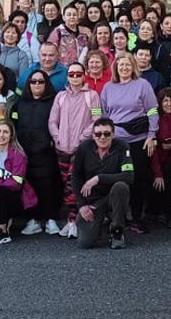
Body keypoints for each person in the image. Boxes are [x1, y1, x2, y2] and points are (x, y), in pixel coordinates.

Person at [99, 53, 159, 233]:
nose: (124, 68)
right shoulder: (108, 87)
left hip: (138, 140)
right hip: (115, 141)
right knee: (116, 180)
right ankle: (117, 216)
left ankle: (137, 217)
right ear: (115, 67)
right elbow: (103, 113)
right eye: (120, 65)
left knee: (138, 179)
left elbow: (152, 111)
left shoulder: (143, 85)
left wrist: (152, 135)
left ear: (133, 67)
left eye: (127, 65)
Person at [49, 62, 102, 238]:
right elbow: (52, 121)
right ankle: (72, 220)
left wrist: (83, 137)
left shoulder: (92, 95)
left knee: (74, 183)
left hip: (81, 148)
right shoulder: (60, 96)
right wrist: (57, 138)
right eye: (71, 74)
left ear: (84, 75)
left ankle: (74, 221)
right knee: (66, 185)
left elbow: (96, 119)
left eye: (78, 74)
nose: (75, 77)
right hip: (62, 148)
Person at [11, 71, 62, 236]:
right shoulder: (20, 103)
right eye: (33, 81)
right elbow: (14, 124)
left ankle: (50, 219)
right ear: (28, 84)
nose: (37, 84)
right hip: (24, 151)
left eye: (41, 81)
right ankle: (32, 219)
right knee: (28, 186)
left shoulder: (54, 102)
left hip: (46, 151)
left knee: (47, 186)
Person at [72, 118, 135, 250]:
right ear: (93, 135)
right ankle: (103, 223)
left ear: (113, 134)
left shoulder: (123, 147)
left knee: (121, 186)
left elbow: (129, 176)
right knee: (85, 243)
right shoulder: (84, 148)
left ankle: (117, 231)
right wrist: (82, 205)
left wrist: (98, 178)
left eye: (106, 133)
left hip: (113, 198)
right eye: (98, 134)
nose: (102, 137)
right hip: (93, 202)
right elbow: (75, 177)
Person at [149, 88, 171, 227]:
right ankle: (159, 212)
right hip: (159, 159)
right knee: (157, 180)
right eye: (165, 100)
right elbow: (153, 148)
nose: (169, 103)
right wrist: (157, 174)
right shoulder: (156, 119)